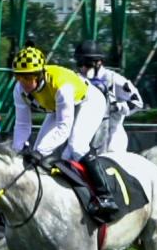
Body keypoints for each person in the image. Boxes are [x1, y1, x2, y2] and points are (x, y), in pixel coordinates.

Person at [10, 45, 120, 220]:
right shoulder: (19, 90)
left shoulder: (61, 85)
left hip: (89, 101)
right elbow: (22, 125)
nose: (23, 82)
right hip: (57, 108)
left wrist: (40, 152)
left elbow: (64, 127)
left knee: (76, 146)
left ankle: (105, 196)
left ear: (39, 74)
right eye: (18, 76)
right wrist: (17, 152)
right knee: (36, 153)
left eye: (28, 77)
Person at [75, 40, 144, 153]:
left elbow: (138, 102)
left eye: (87, 63)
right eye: (80, 63)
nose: (83, 68)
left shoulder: (114, 79)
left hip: (112, 138)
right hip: (85, 136)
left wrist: (116, 107)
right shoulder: (78, 80)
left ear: (99, 62)